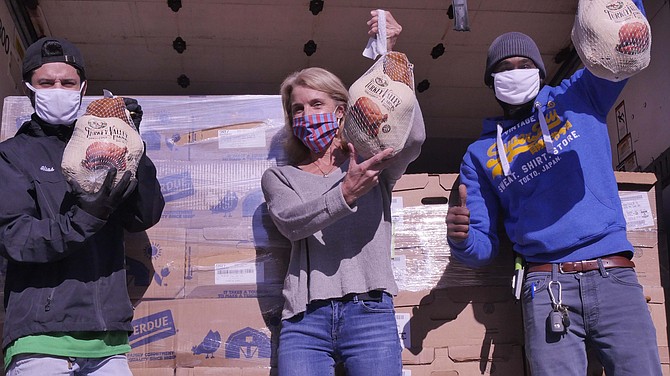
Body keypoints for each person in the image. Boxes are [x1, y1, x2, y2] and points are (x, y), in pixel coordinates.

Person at [446, 1, 662, 375]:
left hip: (613, 274)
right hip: (546, 286)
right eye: (504, 69)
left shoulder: (579, 95)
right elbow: (481, 250)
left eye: (525, 65)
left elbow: (626, 35)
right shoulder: (478, 155)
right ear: (490, 82)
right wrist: (462, 238)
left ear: (541, 72)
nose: (516, 73)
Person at [260, 10, 425, 376]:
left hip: (369, 313)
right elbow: (291, 222)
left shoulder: (368, 161)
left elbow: (411, 138)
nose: (305, 115)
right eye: (297, 109)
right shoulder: (281, 176)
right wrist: (345, 194)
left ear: (341, 110)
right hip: (306, 320)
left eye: (316, 104)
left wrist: (391, 60)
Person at [0, 37, 165, 375]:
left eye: (67, 82)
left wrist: (132, 142)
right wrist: (86, 216)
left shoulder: (102, 145)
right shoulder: (12, 156)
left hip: (108, 344)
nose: (57, 89)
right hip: (40, 341)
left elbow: (143, 215)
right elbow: (16, 238)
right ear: (29, 88)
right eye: (47, 82)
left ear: (82, 87)